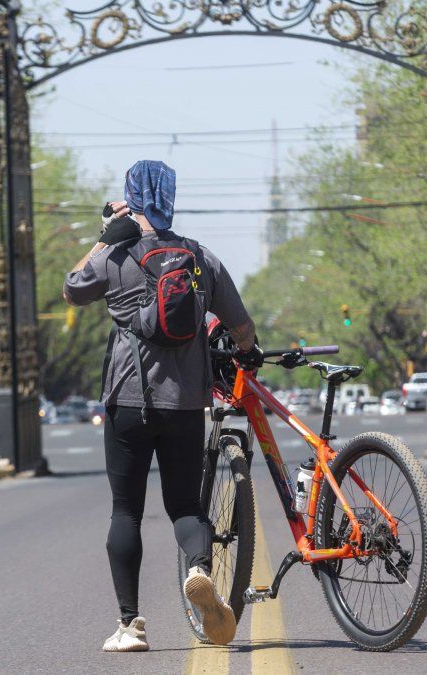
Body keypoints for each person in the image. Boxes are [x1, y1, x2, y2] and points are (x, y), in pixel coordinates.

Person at [63, 160, 260, 652]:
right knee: (185, 507)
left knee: (126, 511)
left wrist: (108, 232)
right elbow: (241, 326)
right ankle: (198, 569)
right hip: (185, 403)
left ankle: (130, 625)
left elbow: (72, 288)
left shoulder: (117, 254)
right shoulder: (199, 257)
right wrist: (248, 351)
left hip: (127, 400)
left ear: (131, 198)